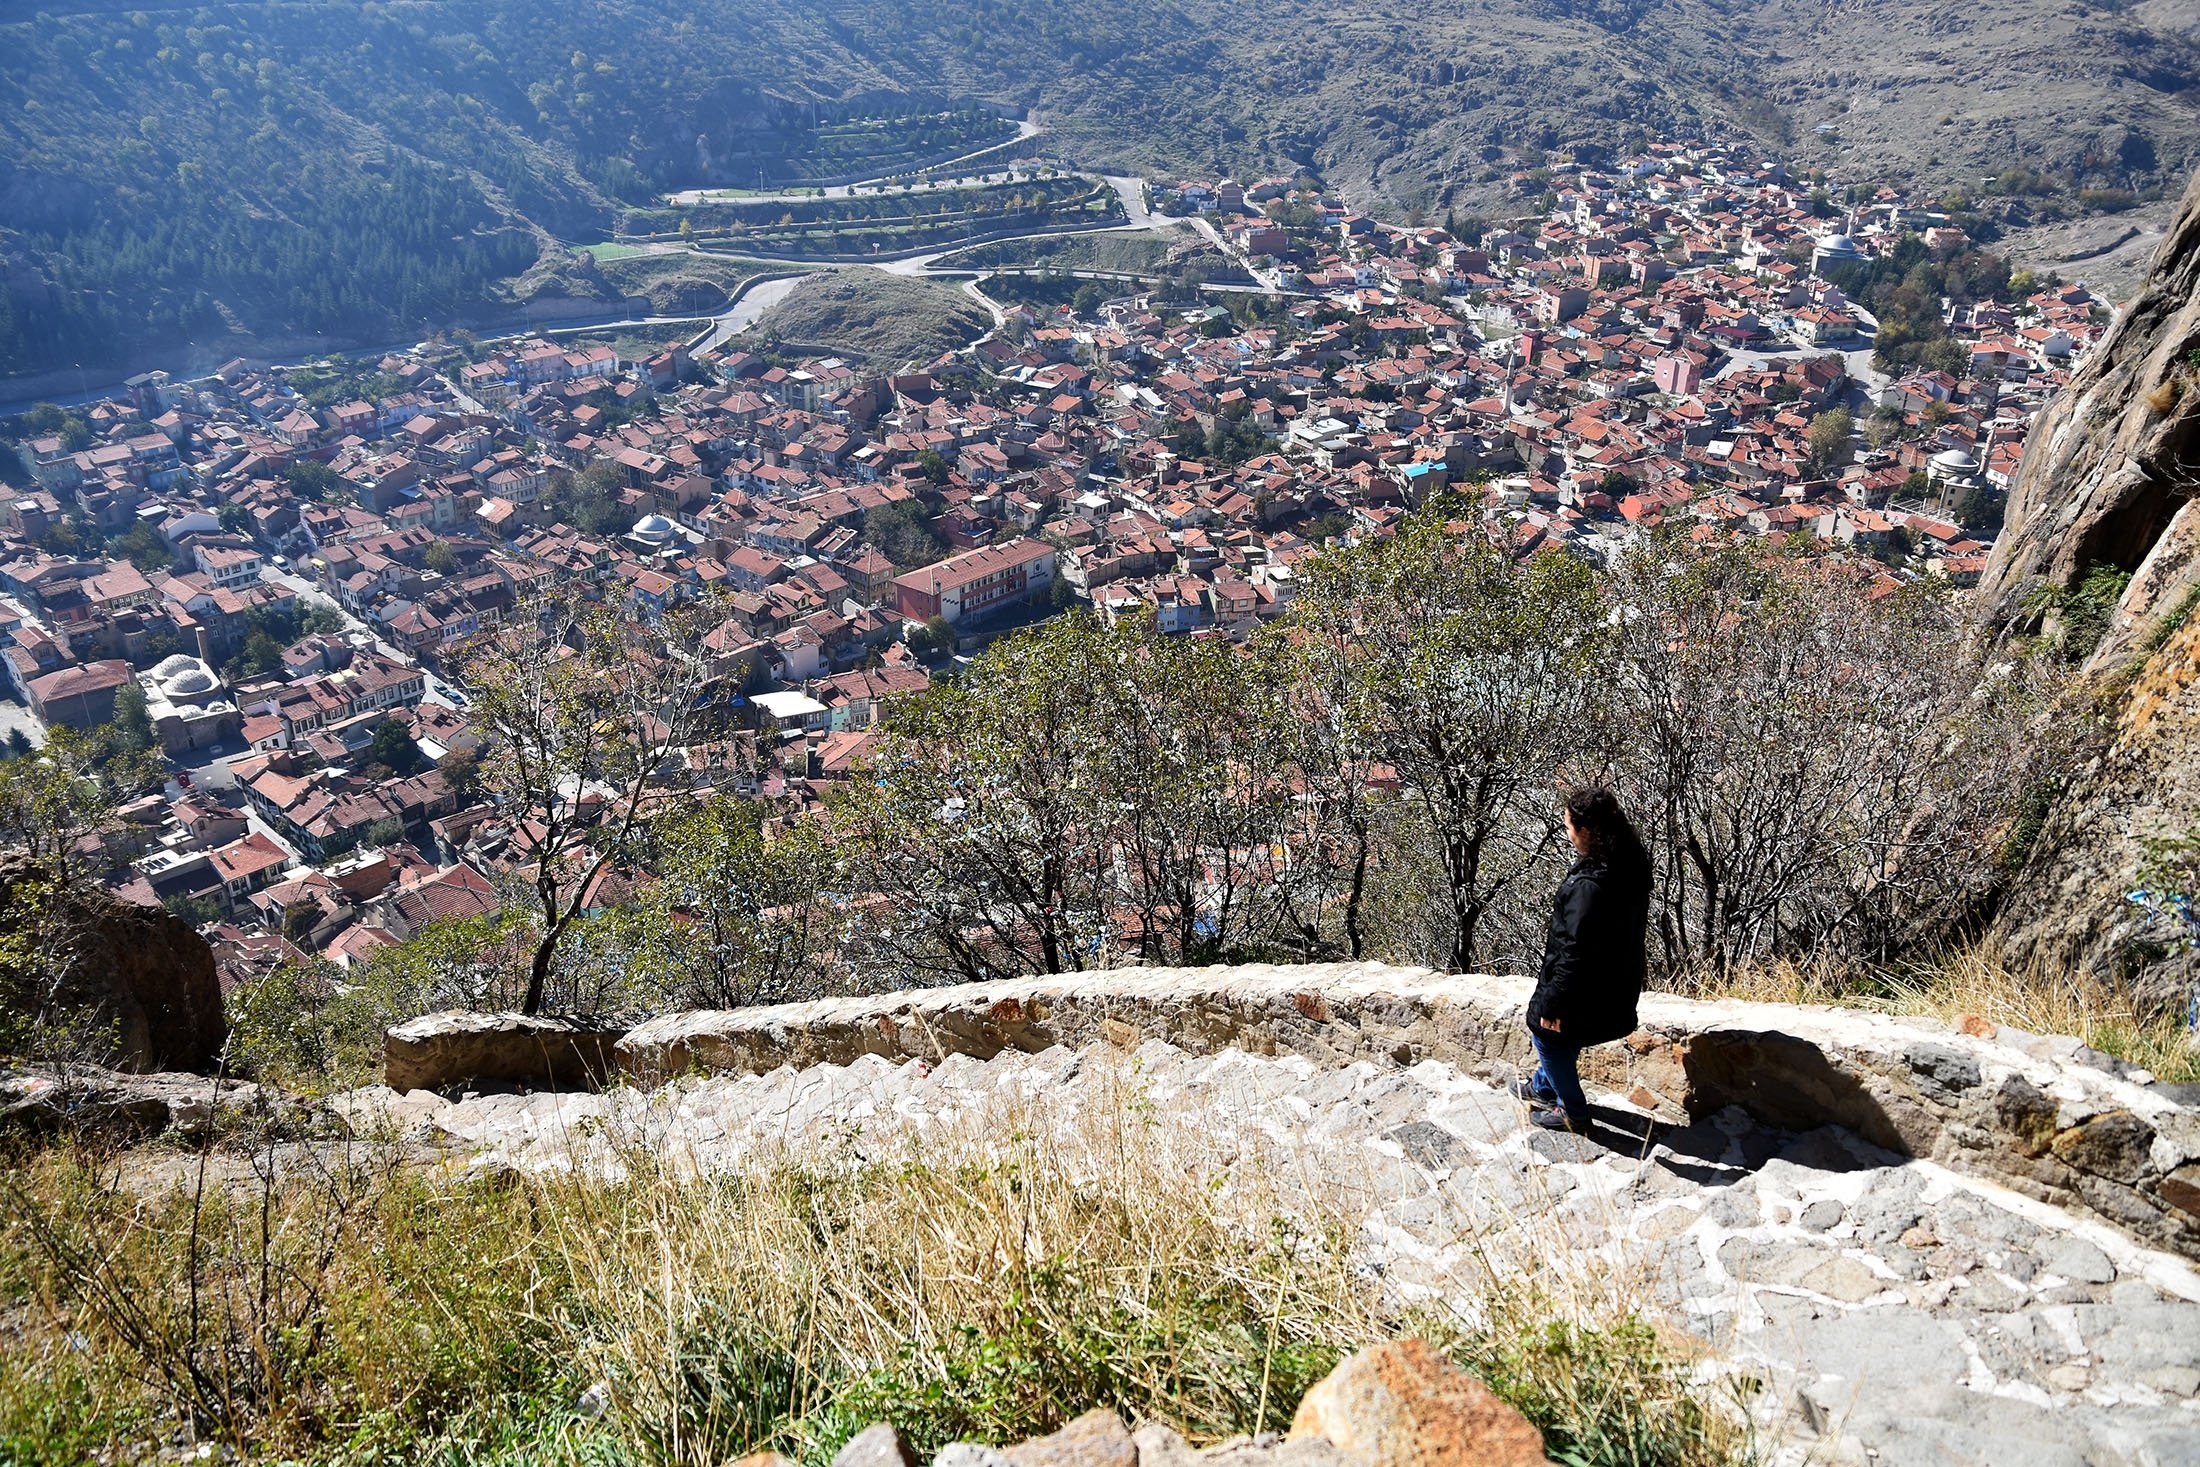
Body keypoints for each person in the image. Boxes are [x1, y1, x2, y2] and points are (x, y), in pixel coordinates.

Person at [1513, 785, 1652, 1132]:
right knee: (1562, 1036)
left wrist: (1552, 1002)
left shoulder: (1589, 885)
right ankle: (1543, 1087)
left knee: (1548, 1035)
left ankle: (1572, 1112)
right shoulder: (1628, 865)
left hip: (1585, 989)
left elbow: (1574, 951)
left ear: (1586, 830)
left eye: (1569, 827)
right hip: (1616, 980)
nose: (1568, 834)